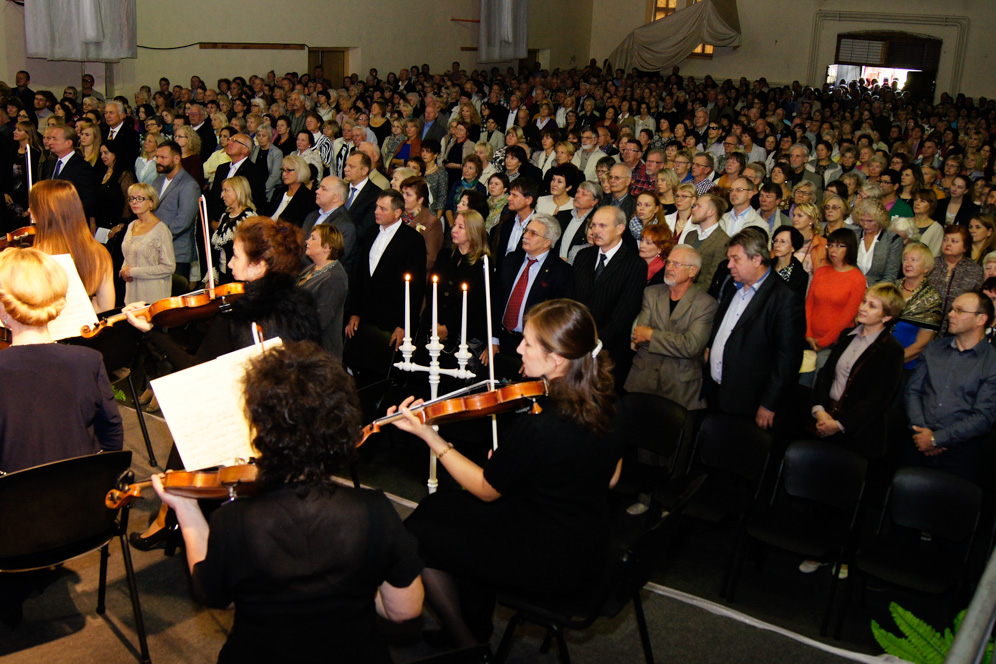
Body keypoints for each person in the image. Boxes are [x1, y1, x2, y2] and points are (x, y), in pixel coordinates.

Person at [155, 341, 423, 663]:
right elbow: (405, 611)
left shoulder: (234, 520)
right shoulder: (374, 510)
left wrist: (186, 509)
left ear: (260, 430)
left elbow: (216, 597)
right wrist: (355, 587)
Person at [393, 298, 623, 648]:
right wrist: (529, 469)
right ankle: (475, 623)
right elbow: (611, 478)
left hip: (545, 560)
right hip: (588, 546)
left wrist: (429, 435)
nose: (518, 349)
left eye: (528, 343)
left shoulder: (542, 426)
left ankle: (467, 641)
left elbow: (486, 489)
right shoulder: (610, 404)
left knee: (417, 534)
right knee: (437, 508)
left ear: (557, 359)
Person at [125, 216, 322, 550]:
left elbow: (194, 370)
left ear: (260, 265)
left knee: (193, 417)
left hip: (245, 427)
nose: (229, 265)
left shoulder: (238, 312)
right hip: (292, 418)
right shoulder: (302, 304)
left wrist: (154, 333)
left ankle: (169, 518)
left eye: (236, 256)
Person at [0, 247, 123, 473]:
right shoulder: (88, 360)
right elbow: (112, 432)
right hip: (80, 485)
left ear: (4, 308)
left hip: (15, 491)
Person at [705, 229, 806, 429]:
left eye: (736, 259)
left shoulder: (784, 298)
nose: (729, 265)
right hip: (716, 392)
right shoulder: (732, 286)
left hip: (749, 402)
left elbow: (787, 359)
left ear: (757, 259)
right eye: (729, 258)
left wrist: (769, 403)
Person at [905, 292, 996, 483]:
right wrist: (922, 433)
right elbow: (913, 391)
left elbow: (984, 416)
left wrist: (937, 439)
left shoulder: (991, 362)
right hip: (917, 443)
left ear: (981, 319)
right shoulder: (934, 348)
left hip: (960, 455)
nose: (950, 315)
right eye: (952, 309)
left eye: (959, 311)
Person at [810, 283, 905, 459]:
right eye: (864, 301)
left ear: (887, 317)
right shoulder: (847, 335)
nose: (863, 308)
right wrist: (820, 410)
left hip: (857, 434)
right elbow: (825, 375)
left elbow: (878, 398)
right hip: (825, 418)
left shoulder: (892, 350)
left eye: (872, 306)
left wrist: (839, 425)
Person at [344, 190, 427, 386]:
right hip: (365, 317)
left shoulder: (413, 240)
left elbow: (415, 288)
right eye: (376, 207)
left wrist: (404, 325)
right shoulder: (371, 232)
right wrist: (354, 311)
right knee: (356, 371)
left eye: (383, 209)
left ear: (397, 213)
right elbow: (360, 275)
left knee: (379, 377)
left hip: (391, 320)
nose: (376, 212)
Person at [626, 244, 718, 410]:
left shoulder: (706, 304)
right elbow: (639, 336)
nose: (669, 268)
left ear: (692, 271)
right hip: (643, 380)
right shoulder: (651, 293)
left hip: (680, 388)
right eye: (668, 262)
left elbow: (691, 346)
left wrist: (651, 335)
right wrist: (674, 342)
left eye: (676, 264)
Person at [567, 206, 646, 386]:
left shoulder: (635, 265)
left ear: (620, 229)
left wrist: (590, 345)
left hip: (608, 353)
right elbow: (569, 300)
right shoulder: (583, 256)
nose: (595, 231)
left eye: (602, 226)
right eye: (593, 225)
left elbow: (623, 317)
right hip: (574, 345)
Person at [488, 213, 571, 378]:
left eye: (533, 233)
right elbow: (497, 299)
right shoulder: (511, 259)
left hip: (533, 345)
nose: (525, 236)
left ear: (547, 242)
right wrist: (493, 338)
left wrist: (536, 353)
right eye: (526, 231)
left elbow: (555, 319)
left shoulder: (561, 272)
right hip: (501, 340)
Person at [31, 180, 115, 313]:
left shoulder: (36, 256)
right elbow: (106, 307)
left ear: (44, 212)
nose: (29, 211)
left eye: (33, 207)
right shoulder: (99, 252)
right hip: (87, 324)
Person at [806, 229, 867, 357]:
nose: (833, 250)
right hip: (810, 337)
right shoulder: (821, 272)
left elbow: (848, 316)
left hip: (836, 341)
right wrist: (808, 334)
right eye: (830, 245)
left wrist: (824, 341)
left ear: (849, 248)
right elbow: (809, 304)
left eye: (839, 246)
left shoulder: (857, 278)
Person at [120, 183, 175, 304]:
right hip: (131, 294)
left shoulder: (161, 230)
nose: (134, 202)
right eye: (131, 199)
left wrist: (133, 272)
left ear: (151, 202)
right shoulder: (131, 225)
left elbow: (169, 267)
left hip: (153, 296)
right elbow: (128, 254)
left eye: (140, 198)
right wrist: (124, 269)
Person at [299, 224, 348, 360]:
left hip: (320, 355)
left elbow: (319, 322)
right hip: (303, 346)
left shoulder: (335, 278)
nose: (307, 241)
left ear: (327, 247)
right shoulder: (311, 268)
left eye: (313, 238)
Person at [892, 242, 942, 370]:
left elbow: (921, 344)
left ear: (926, 268)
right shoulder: (891, 288)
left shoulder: (931, 298)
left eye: (914, 260)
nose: (908, 264)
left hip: (906, 365)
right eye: (905, 259)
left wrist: (892, 362)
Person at [928, 224, 984, 332]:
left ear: (965, 247)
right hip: (927, 324)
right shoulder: (931, 264)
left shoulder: (975, 270)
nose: (948, 244)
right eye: (946, 240)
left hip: (958, 327)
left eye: (954, 241)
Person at [210, 176, 257, 284]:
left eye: (226, 190)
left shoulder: (248, 217)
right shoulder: (225, 216)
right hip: (223, 273)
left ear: (237, 192)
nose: (222, 195)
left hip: (238, 277)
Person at [854, 198, 903, 286]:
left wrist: (872, 291)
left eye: (870, 221)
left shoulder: (893, 240)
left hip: (879, 290)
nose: (865, 225)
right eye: (862, 220)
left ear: (881, 219)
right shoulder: (853, 235)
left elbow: (890, 276)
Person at [400, 176, 443, 273]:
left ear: (420, 199)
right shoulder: (397, 217)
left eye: (408, 194)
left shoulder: (432, 223)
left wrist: (402, 265)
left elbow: (430, 259)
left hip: (415, 274)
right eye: (402, 193)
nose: (403, 197)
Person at [265, 155, 318, 227]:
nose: (284, 174)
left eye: (289, 170)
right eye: (283, 170)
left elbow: (301, 225)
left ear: (300, 172)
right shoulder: (278, 191)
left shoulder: (308, 198)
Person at [771, 225, 809, 297]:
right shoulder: (766, 266)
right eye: (775, 241)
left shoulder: (800, 275)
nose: (777, 245)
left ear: (793, 247)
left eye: (783, 242)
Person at [906, 189, 944, 255]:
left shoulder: (937, 228)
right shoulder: (904, 222)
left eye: (922, 201)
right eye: (916, 200)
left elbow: (935, 254)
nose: (917, 203)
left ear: (931, 205)